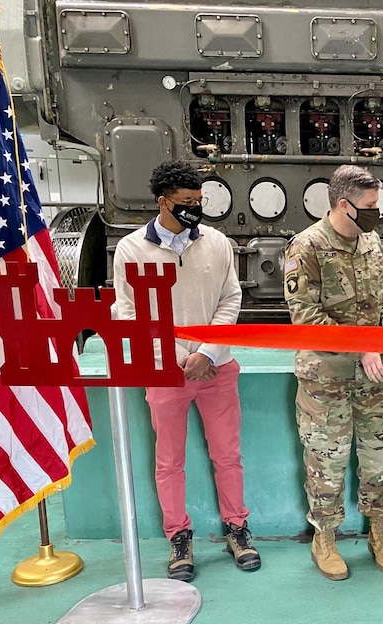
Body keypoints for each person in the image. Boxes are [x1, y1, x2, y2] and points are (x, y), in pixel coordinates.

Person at [113, 160, 259, 581]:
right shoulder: (131, 249)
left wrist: (208, 354)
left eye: (199, 201)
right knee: (169, 460)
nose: (195, 210)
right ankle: (178, 537)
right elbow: (128, 311)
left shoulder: (216, 242)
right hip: (164, 371)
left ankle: (238, 528)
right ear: (162, 202)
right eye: (185, 203)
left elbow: (230, 301)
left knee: (228, 455)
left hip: (217, 369)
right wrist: (181, 358)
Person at [284, 165, 383, 581]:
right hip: (325, 379)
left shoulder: (373, 242)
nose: (377, 213)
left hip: (372, 377)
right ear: (344, 205)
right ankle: (325, 538)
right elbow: (305, 316)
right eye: (370, 206)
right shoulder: (307, 246)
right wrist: (363, 345)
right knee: (326, 464)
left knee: (379, 461)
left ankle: (378, 532)